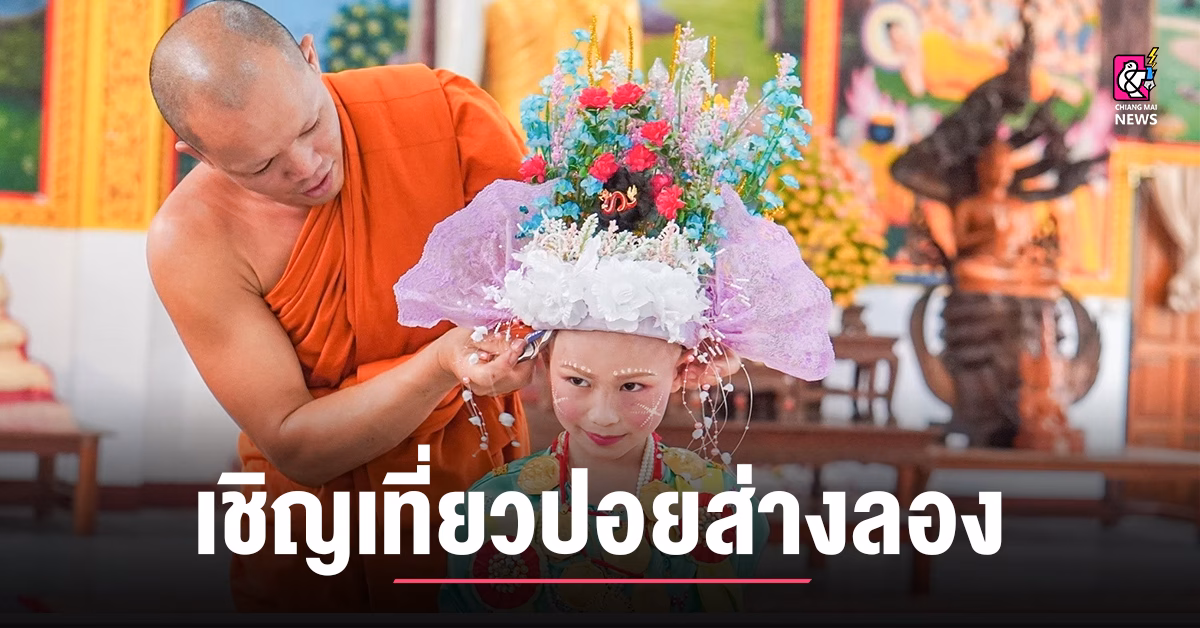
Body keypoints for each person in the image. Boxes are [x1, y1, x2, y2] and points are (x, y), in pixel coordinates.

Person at [391, 27, 835, 612]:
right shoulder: (495, 507)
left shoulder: (717, 508)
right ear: (542, 361)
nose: (603, 413)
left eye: (633, 387)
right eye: (577, 381)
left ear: (680, 370)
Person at [146, 0, 537, 612]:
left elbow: (555, 274)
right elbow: (296, 444)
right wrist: (442, 364)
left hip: (474, 491)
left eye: (310, 126)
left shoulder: (439, 112)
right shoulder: (192, 241)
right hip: (314, 536)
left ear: (311, 58)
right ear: (199, 154)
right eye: (261, 165)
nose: (308, 168)